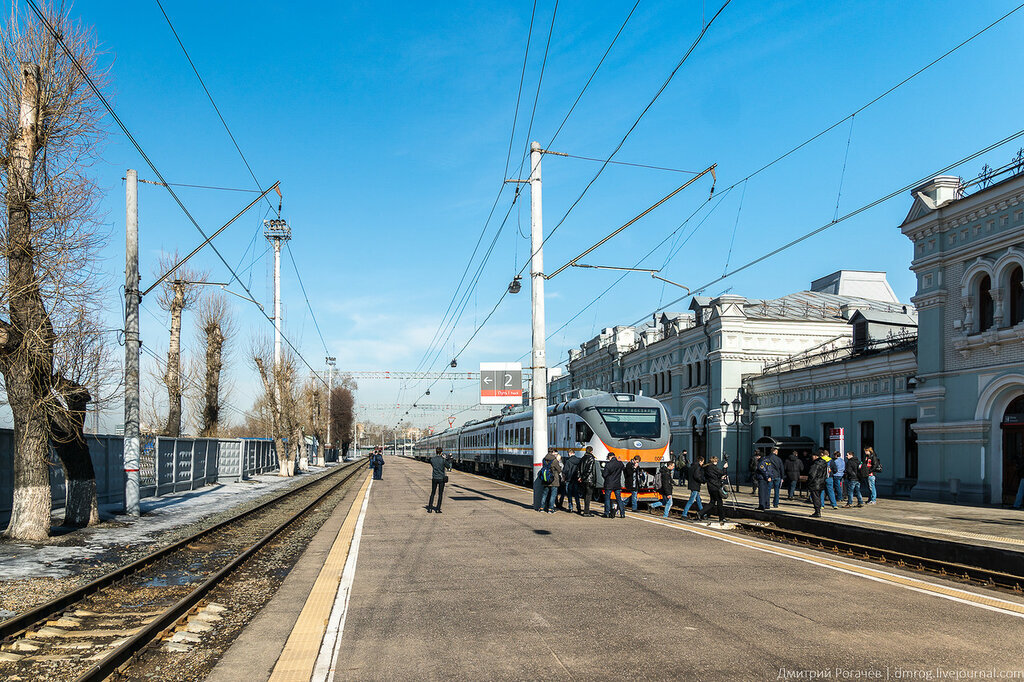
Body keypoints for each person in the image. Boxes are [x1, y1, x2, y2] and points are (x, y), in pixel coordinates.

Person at [699, 455, 728, 524]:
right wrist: (724, 468)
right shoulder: (713, 467)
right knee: (719, 502)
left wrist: (720, 478)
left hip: (710, 486)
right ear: (714, 461)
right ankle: (721, 518)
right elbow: (721, 473)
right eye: (716, 461)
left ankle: (700, 513)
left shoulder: (707, 468)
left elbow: (713, 477)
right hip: (715, 487)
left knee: (712, 502)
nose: (717, 463)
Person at [427, 446, 451, 513]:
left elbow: (432, 464)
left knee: (433, 493)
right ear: (441, 452)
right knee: (440, 494)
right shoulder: (443, 460)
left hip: (434, 477)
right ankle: (437, 509)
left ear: (436, 452)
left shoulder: (432, 459)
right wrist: (446, 459)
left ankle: (430, 508)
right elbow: (448, 466)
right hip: (441, 479)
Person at [806, 450, 828, 518]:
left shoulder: (816, 464)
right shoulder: (824, 463)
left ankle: (817, 511)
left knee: (815, 497)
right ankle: (818, 510)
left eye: (812, 456)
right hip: (821, 482)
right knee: (818, 497)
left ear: (815, 456)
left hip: (815, 483)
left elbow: (812, 474)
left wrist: (808, 482)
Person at [602, 454, 625, 518]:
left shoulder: (608, 464)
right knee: (619, 499)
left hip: (609, 484)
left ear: (610, 457)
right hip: (617, 484)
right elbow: (623, 468)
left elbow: (604, 474)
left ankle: (606, 513)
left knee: (607, 499)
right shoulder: (620, 464)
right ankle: (622, 513)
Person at [577, 446, 597, 516]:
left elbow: (578, 469)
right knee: (588, 496)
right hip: (589, 479)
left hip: (584, 480)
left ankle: (586, 510)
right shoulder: (591, 458)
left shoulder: (582, 458)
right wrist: (583, 477)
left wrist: (579, 477)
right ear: (591, 451)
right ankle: (586, 511)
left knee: (585, 495)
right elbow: (589, 470)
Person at [540, 449, 562, 513]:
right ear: (552, 452)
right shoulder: (554, 460)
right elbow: (559, 470)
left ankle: (542, 508)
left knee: (544, 494)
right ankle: (550, 509)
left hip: (545, 479)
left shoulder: (544, 459)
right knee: (553, 495)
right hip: (554, 479)